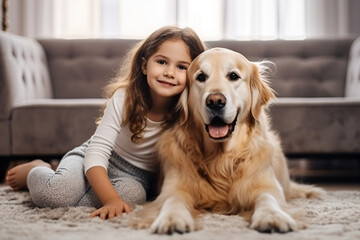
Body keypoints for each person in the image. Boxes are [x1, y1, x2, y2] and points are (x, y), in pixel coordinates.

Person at [5, 26, 206, 220]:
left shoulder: (189, 113)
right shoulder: (125, 97)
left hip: (136, 177)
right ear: (144, 65)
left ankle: (67, 180)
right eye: (162, 62)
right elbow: (97, 152)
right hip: (92, 158)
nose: (170, 72)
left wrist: (114, 201)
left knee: (131, 199)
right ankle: (38, 168)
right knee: (55, 195)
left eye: (181, 67)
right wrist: (109, 199)